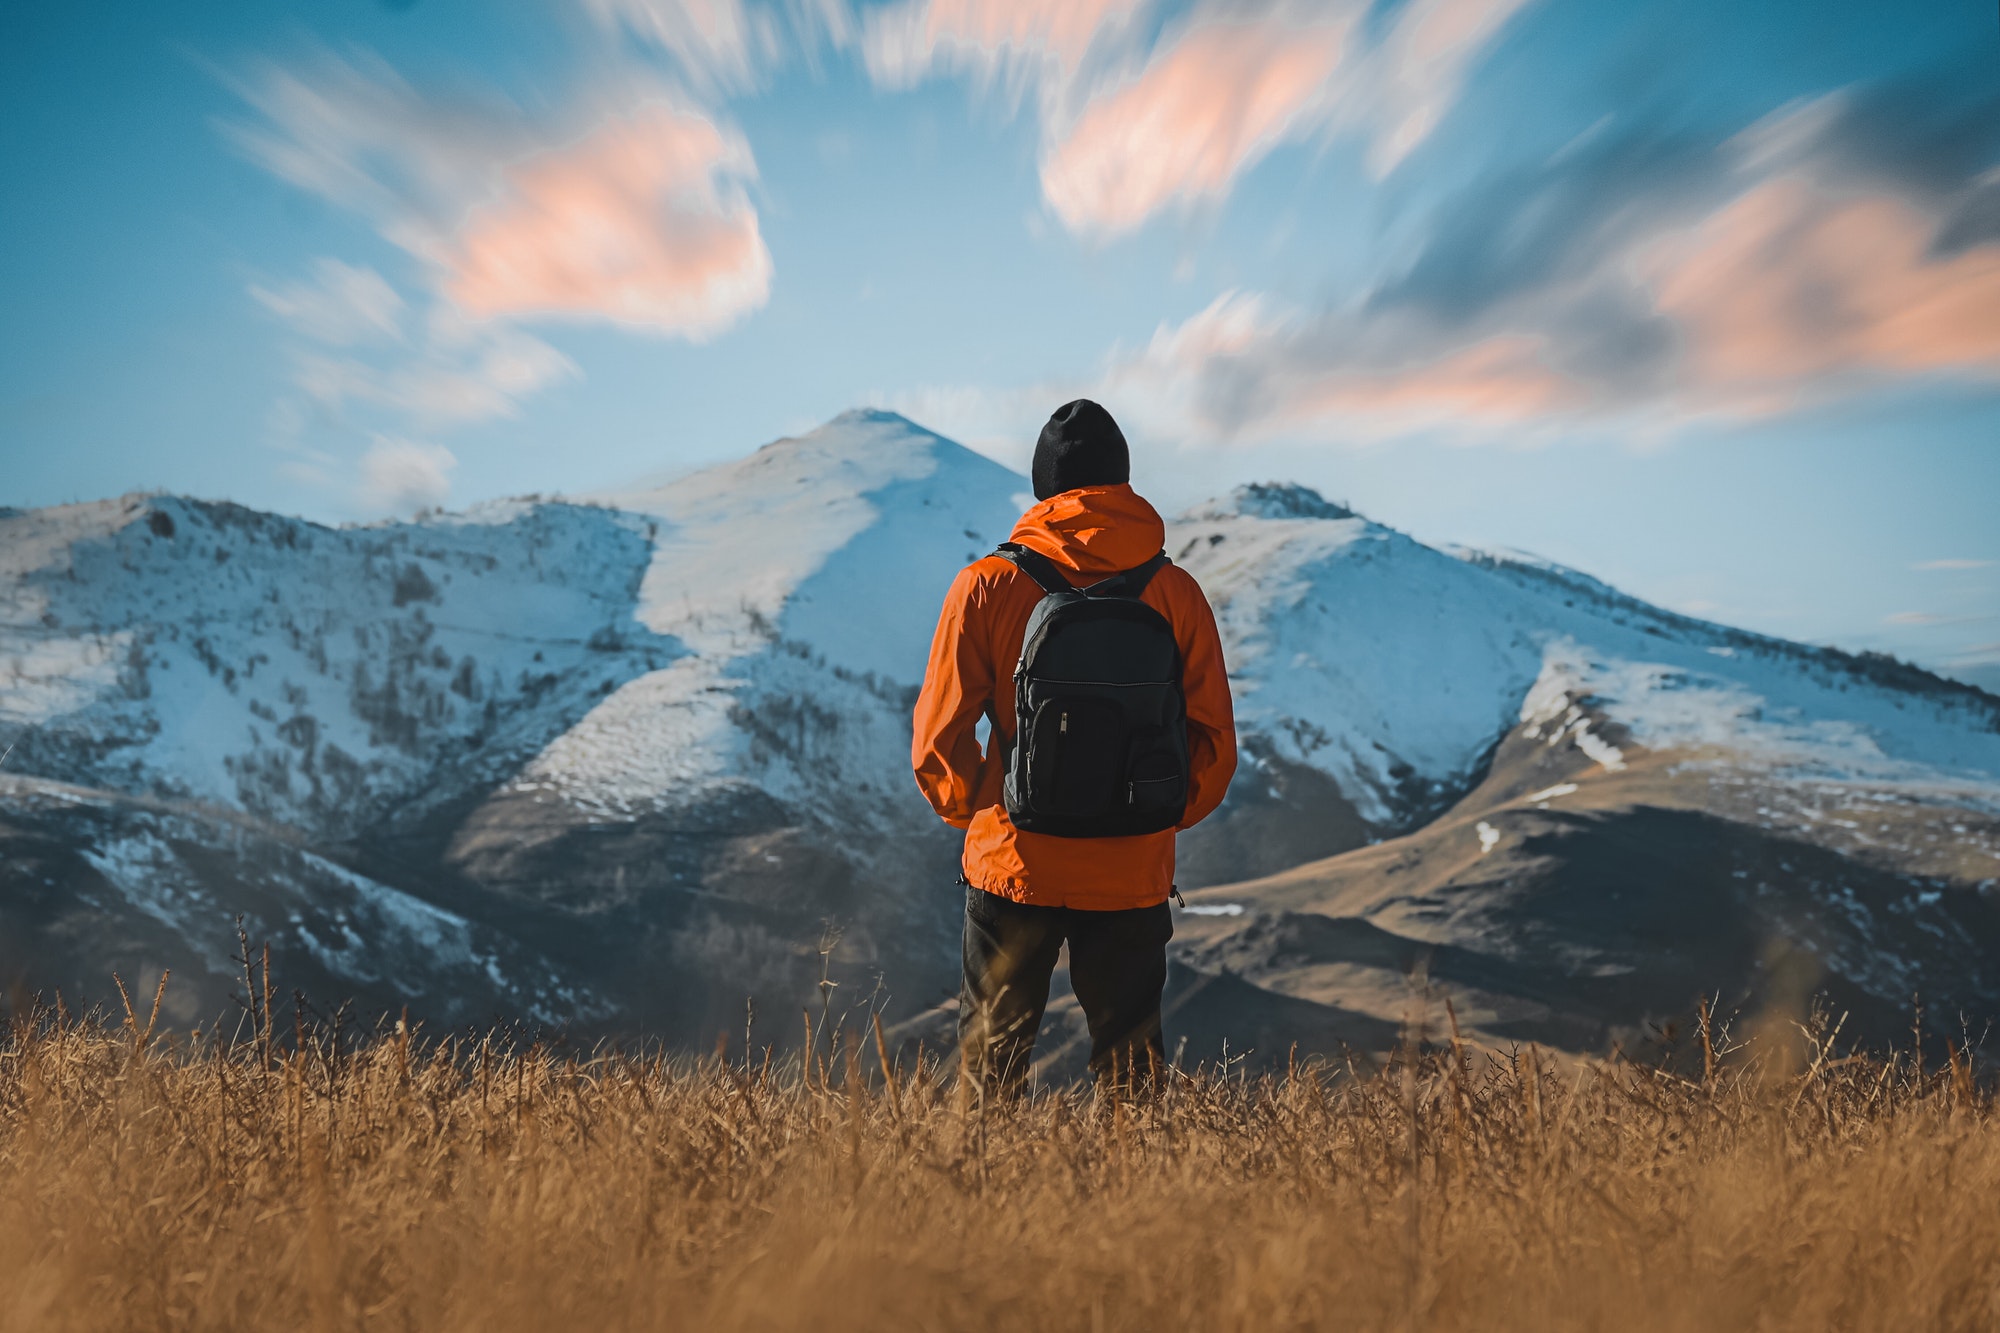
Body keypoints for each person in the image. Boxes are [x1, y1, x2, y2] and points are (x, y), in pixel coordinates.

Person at [911, 399, 1236, 1092]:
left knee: (988, 1077)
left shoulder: (984, 587)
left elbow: (939, 742)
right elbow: (1213, 741)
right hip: (1129, 871)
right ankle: (1134, 1201)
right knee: (1132, 1076)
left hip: (1013, 863)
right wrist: (1151, 818)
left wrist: (986, 812)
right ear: (1124, 483)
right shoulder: (1176, 593)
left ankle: (974, 1198)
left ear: (1042, 491)